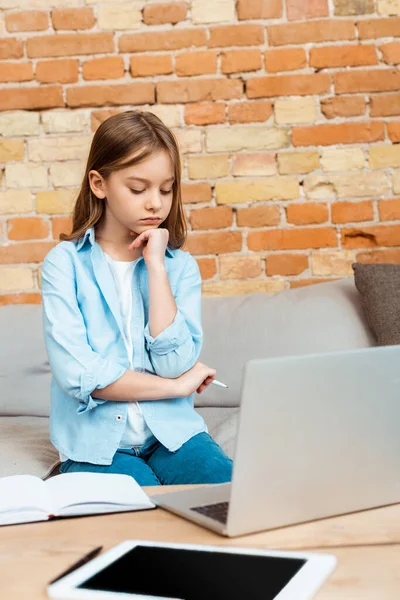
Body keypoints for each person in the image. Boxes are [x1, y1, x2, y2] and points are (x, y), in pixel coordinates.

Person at [41, 110, 233, 486]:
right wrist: (176, 389)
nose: (155, 204)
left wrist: (157, 267)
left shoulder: (180, 267)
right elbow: (79, 374)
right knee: (139, 508)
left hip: (172, 436)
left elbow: (176, 362)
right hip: (96, 444)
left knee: (229, 492)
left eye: (166, 189)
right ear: (99, 183)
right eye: (138, 188)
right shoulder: (63, 265)